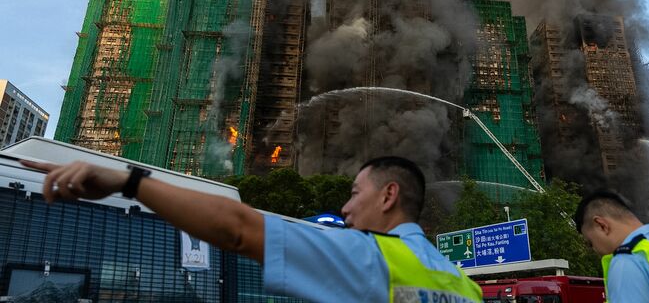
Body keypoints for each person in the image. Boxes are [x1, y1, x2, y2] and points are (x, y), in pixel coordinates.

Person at [22, 155, 482, 302]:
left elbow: (238, 228)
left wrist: (129, 182)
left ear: (388, 195)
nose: (345, 209)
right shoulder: (465, 286)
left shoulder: (370, 255)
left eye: (354, 193)